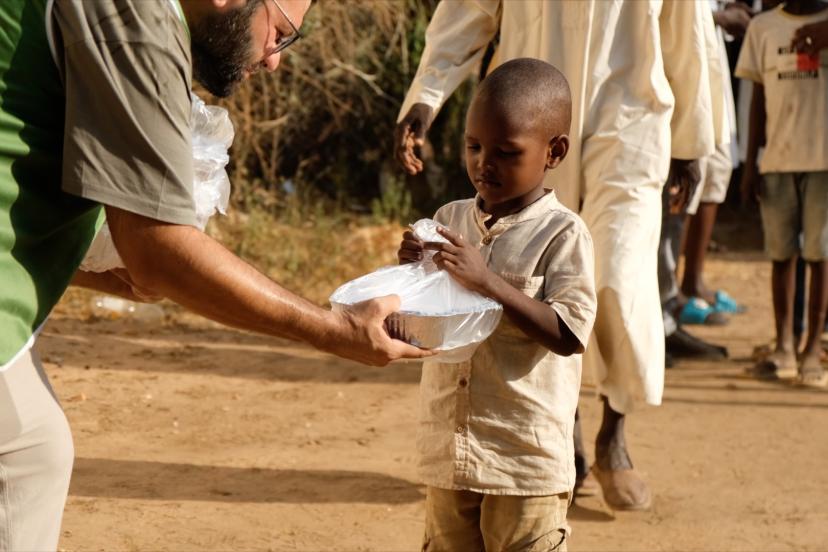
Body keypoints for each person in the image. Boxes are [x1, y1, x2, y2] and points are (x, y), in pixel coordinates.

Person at [0, 0, 430, 548]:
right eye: (279, 32)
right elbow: (158, 246)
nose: (274, 60)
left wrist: (105, 273)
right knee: (23, 458)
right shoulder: (140, 22)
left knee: (34, 445)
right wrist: (334, 327)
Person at [395, 0, 721, 510]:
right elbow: (468, 10)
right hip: (528, 124)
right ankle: (562, 434)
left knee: (618, 280)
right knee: (533, 278)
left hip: (631, 117)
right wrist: (427, 97)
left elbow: (688, 29)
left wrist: (691, 142)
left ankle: (614, 431)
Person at [398, 58, 596, 552]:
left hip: (523, 458)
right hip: (450, 447)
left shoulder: (564, 233)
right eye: (474, 146)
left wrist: (488, 282)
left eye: (507, 152)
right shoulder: (449, 219)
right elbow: (422, 322)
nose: (484, 163)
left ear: (555, 151)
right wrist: (411, 272)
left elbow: (568, 335)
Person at [736, 0, 828, 386]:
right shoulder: (763, 28)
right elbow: (757, 100)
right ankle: (784, 344)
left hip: (823, 162)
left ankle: (812, 351)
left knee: (820, 256)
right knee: (781, 256)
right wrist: (751, 159)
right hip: (776, 161)